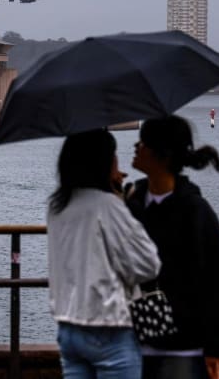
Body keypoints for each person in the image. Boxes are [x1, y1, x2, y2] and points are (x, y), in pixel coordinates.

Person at [125, 115, 219, 379]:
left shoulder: (195, 210)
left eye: (143, 143)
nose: (136, 147)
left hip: (183, 345)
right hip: (134, 340)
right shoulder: (132, 203)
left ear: (162, 155)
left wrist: (216, 344)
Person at [47, 129, 161, 378]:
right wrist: (121, 202)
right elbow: (148, 265)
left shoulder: (57, 207)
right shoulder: (108, 206)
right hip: (108, 327)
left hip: (68, 326)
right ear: (104, 162)